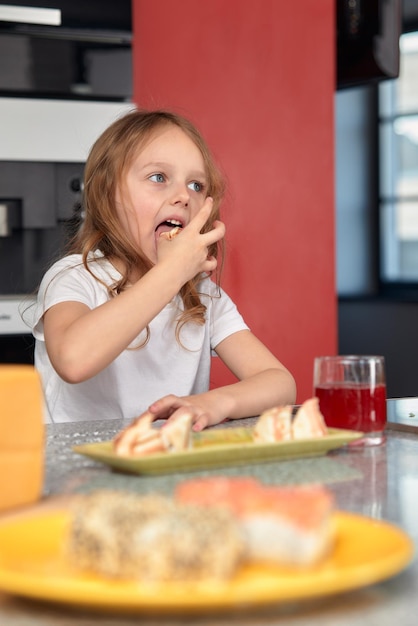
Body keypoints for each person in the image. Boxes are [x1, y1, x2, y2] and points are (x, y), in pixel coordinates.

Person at [31, 108, 296, 428]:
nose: (183, 196)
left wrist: (215, 402)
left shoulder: (202, 296)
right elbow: (73, 361)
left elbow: (280, 383)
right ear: (107, 193)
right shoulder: (75, 278)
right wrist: (171, 272)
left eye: (197, 185)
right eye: (158, 178)